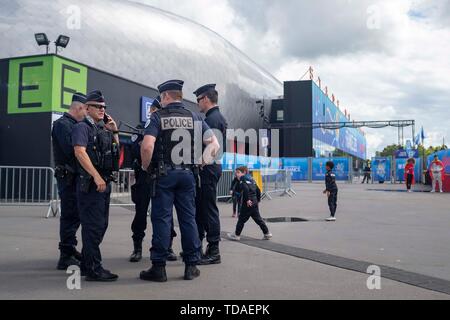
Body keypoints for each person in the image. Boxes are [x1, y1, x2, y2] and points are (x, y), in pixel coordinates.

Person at [140, 80, 220, 282]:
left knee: (162, 220)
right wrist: (201, 163)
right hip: (188, 176)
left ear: (166, 96)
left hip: (164, 175)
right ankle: (191, 266)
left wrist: (145, 166)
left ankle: (159, 268)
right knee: (188, 220)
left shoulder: (157, 117)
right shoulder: (195, 117)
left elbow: (147, 146)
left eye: (161, 97)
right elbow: (214, 144)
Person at [72, 90, 120, 282]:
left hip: (103, 184)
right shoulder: (82, 127)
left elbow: (116, 153)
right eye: (98, 107)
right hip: (91, 186)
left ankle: (86, 263)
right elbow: (79, 152)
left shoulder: (102, 128)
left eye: (104, 107)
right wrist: (96, 176)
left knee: (101, 225)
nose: (102, 110)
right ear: (87, 108)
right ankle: (94, 268)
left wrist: (114, 130)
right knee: (93, 227)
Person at [129, 97, 178, 263]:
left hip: (161, 175)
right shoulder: (140, 128)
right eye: (155, 110)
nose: (157, 113)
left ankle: (168, 246)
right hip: (144, 175)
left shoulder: (166, 129)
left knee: (166, 214)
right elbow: (134, 151)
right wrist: (144, 142)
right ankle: (137, 248)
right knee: (140, 213)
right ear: (151, 110)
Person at [52, 93, 87, 270]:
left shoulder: (73, 125)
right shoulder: (63, 125)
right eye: (85, 110)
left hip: (74, 178)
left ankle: (70, 248)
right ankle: (65, 255)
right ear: (79, 108)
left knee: (75, 215)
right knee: (70, 215)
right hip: (68, 178)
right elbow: (71, 151)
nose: (86, 114)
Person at [193, 84, 228, 265]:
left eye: (198, 100)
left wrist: (200, 162)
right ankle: (198, 248)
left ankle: (213, 250)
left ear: (205, 99)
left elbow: (213, 147)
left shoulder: (212, 119)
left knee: (208, 209)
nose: (197, 103)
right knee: (202, 208)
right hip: (211, 168)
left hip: (208, 168)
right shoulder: (216, 117)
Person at [227, 166, 272, 241]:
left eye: (238, 173)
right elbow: (258, 189)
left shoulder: (243, 178)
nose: (236, 174)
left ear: (244, 172)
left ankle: (236, 235)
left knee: (241, 219)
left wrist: (248, 199)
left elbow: (245, 188)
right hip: (254, 202)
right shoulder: (251, 178)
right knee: (258, 219)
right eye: (236, 173)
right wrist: (258, 200)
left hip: (248, 203)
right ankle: (267, 233)